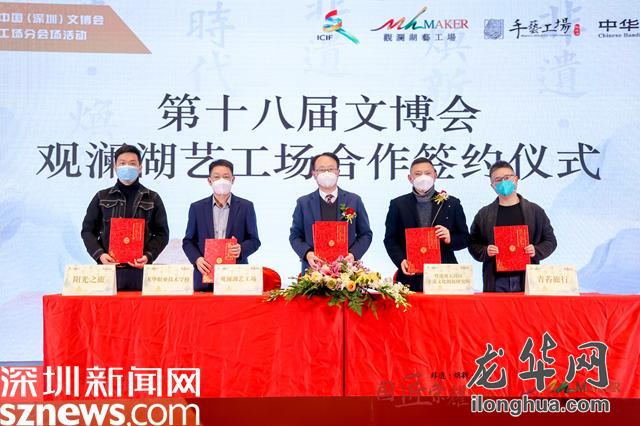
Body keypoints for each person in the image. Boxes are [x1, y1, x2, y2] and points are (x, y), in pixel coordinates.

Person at [81, 144, 169, 291]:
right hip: (107, 271)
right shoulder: (101, 197)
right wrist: (100, 255)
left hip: (140, 271)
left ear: (140, 168)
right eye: (122, 163)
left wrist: (148, 256)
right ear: (115, 167)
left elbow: (162, 234)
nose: (127, 167)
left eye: (132, 163)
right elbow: (87, 231)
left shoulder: (152, 198)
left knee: (139, 306)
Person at [468, 160, 557, 292]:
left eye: (507, 178)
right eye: (498, 180)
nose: (503, 182)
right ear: (492, 185)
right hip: (495, 279)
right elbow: (472, 244)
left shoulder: (535, 211)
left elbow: (550, 241)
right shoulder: (484, 214)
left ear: (515, 179)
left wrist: (536, 250)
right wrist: (485, 251)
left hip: (527, 277)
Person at [384, 157, 470, 291]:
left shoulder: (451, 203)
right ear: (410, 178)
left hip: (445, 275)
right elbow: (390, 239)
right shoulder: (398, 204)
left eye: (428, 173)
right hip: (410, 273)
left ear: (435, 175)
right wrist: (400, 260)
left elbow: (465, 238)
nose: (423, 177)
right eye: (418, 174)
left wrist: (450, 238)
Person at [182, 159, 261, 291]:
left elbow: (254, 240)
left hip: (236, 277)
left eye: (226, 177)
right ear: (209, 181)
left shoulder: (246, 206)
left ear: (233, 179)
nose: (221, 181)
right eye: (216, 177)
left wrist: (241, 249)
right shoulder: (197, 208)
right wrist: (197, 259)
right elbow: (188, 241)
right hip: (205, 275)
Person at [289, 152, 372, 273]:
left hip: (347, 271)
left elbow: (365, 234)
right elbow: (295, 236)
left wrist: (353, 254)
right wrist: (307, 254)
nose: (326, 173)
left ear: (338, 172)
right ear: (314, 174)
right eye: (322, 170)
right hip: (313, 271)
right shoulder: (303, 203)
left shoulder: (354, 200)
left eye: (331, 169)